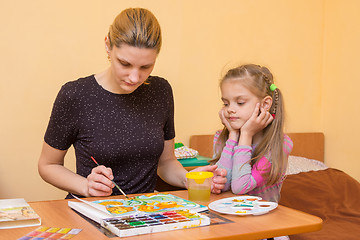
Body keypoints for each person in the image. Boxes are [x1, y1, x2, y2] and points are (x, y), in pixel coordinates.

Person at [38, 8, 227, 199]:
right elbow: (48, 165)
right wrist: (86, 186)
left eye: (146, 67)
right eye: (125, 64)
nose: (135, 77)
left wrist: (189, 179)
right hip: (92, 212)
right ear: (108, 45)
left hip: (143, 214)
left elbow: (166, 163)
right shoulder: (75, 94)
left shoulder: (160, 91)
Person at [210, 64, 293, 203]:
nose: (230, 109)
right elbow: (222, 185)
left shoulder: (279, 144)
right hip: (231, 215)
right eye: (226, 103)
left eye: (240, 102)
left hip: (264, 221)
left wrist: (246, 135)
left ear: (265, 104)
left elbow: (240, 187)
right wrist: (233, 136)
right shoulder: (222, 137)